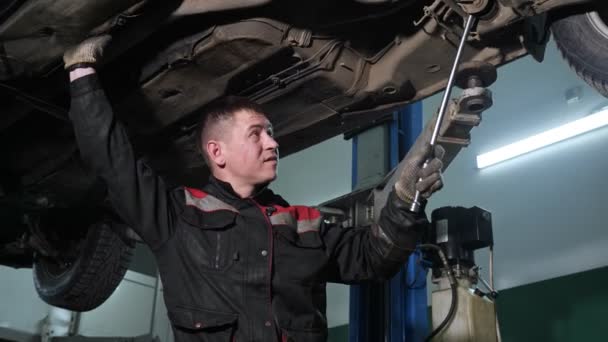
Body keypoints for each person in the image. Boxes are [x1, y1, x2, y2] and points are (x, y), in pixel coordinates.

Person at [63, 35, 445, 342]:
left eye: (272, 133)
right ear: (218, 152)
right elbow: (111, 160)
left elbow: (373, 258)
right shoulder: (178, 216)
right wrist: (81, 69)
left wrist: (405, 200)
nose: (273, 143)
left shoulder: (303, 224)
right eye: (256, 134)